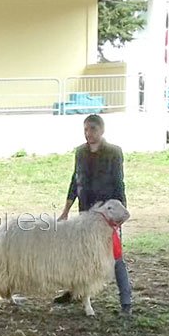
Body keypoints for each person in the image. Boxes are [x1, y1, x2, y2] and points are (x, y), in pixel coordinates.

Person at [56, 114, 133, 315]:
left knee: (115, 255)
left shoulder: (114, 153)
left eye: (92, 129)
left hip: (107, 215)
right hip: (85, 212)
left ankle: (126, 300)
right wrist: (66, 210)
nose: (88, 133)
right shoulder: (80, 152)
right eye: (85, 130)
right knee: (79, 254)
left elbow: (119, 183)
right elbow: (75, 181)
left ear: (101, 130)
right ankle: (74, 291)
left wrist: (121, 212)